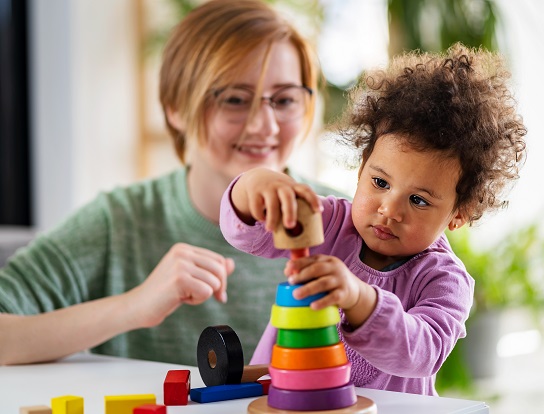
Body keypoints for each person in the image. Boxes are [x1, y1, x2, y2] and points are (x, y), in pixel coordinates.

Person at [0, 0, 344, 366]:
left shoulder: (351, 223)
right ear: (174, 108)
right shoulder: (117, 223)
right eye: (234, 99)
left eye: (285, 99)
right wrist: (134, 306)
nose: (265, 126)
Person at [220, 43, 527, 395]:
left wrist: (359, 300)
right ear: (361, 168)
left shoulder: (444, 280)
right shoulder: (331, 223)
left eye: (418, 200)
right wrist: (253, 187)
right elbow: (247, 234)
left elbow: (423, 351)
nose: (389, 210)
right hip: (287, 400)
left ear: (458, 215)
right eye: (380, 183)